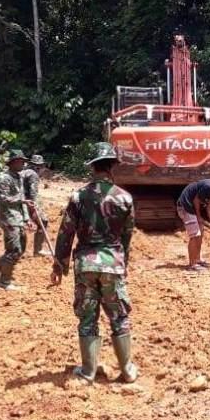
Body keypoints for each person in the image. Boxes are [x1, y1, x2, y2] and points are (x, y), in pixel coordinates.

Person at [52, 142, 138, 384]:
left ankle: (88, 371)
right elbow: (127, 236)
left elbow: (65, 233)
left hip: (86, 265)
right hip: (113, 264)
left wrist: (59, 265)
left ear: (92, 168)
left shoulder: (78, 196)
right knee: (119, 316)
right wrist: (124, 263)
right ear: (112, 167)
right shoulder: (125, 198)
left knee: (88, 318)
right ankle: (127, 370)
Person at [0, 150, 30, 290]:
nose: (23, 164)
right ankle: (5, 282)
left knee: (21, 249)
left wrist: (26, 218)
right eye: (20, 161)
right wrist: (22, 201)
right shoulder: (4, 178)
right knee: (14, 249)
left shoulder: (19, 177)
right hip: (8, 218)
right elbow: (3, 198)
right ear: (13, 162)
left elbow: (22, 199)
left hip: (18, 218)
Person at [24, 154, 51, 257]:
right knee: (43, 221)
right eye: (39, 167)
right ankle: (38, 250)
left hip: (19, 201)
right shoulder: (33, 175)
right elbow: (33, 194)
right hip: (27, 202)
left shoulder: (24, 172)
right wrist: (34, 210)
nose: (41, 169)